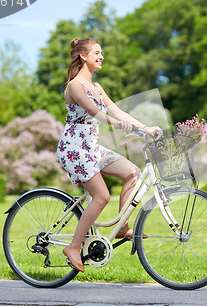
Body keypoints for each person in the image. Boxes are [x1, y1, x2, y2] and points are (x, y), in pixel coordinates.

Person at [57, 38, 160, 272]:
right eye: (96, 52)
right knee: (102, 197)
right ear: (83, 56)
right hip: (74, 149)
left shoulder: (97, 87)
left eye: (102, 52)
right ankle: (73, 246)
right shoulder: (75, 86)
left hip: (91, 148)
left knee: (133, 172)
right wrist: (115, 124)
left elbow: (118, 110)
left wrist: (145, 128)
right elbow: (94, 111)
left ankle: (122, 226)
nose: (101, 56)